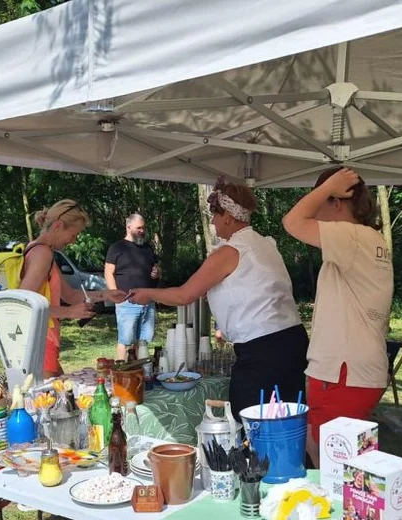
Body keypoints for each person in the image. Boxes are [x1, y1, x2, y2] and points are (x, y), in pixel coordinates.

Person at [128, 178, 308, 421]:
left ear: (228, 217)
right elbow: (255, 287)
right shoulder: (265, 244)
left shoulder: (229, 251)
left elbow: (184, 295)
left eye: (214, 214)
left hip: (261, 351)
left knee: (249, 418)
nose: (212, 221)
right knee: (289, 417)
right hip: (293, 341)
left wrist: (147, 293)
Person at [282, 167, 394, 465]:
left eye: (320, 201)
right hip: (358, 370)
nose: (315, 211)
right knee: (335, 451)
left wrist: (329, 184)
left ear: (337, 201)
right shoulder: (370, 238)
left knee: (336, 465)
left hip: (342, 372)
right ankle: (354, 507)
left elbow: (292, 222)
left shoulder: (351, 236)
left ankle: (343, 510)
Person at [20, 199, 126, 376]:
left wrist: (107, 295)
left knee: (60, 391)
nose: (74, 240)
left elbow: (70, 295)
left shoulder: (39, 250)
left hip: (42, 339)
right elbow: (25, 305)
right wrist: (69, 312)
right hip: (39, 341)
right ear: (59, 226)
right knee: (47, 400)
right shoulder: (43, 253)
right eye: (74, 234)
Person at [105, 213, 160, 360]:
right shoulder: (117, 247)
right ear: (128, 227)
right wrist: (114, 294)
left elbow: (155, 269)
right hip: (127, 302)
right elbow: (109, 272)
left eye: (144, 228)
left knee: (143, 342)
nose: (142, 231)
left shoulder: (147, 248)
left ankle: (138, 370)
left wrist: (157, 272)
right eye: (139, 228)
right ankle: (121, 371)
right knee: (125, 340)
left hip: (148, 301)